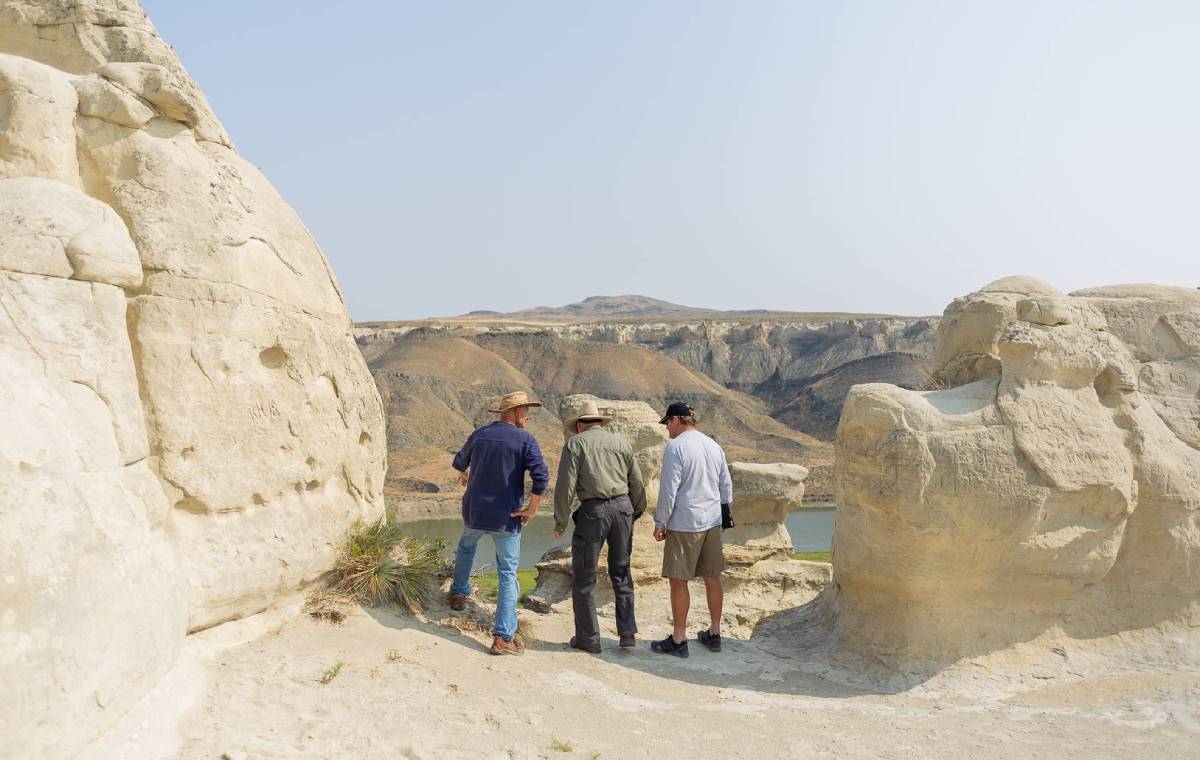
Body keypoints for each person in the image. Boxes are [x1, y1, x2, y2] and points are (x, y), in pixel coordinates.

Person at [449, 391, 549, 655]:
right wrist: (532, 509)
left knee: (466, 547)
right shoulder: (525, 440)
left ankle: (458, 593)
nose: (527, 417)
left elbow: (458, 461)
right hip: (506, 515)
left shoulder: (479, 434)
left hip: (475, 511)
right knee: (507, 572)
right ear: (515, 413)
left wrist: (468, 471)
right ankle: (503, 637)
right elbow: (541, 476)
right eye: (525, 411)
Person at [553, 399, 647, 653]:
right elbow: (636, 483)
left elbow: (566, 486)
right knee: (622, 571)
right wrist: (634, 512)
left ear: (581, 425)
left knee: (584, 576)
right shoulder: (621, 443)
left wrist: (560, 520)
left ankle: (589, 639)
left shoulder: (575, 444)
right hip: (623, 508)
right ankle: (627, 634)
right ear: (599, 423)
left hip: (593, 512)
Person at [650, 402, 732, 658]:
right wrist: (724, 515)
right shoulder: (712, 444)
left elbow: (668, 489)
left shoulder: (676, 447)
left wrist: (660, 522)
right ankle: (715, 632)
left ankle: (678, 639)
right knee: (713, 576)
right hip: (712, 520)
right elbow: (725, 485)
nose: (667, 430)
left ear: (675, 420)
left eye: (667, 424)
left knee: (678, 581)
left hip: (685, 522)